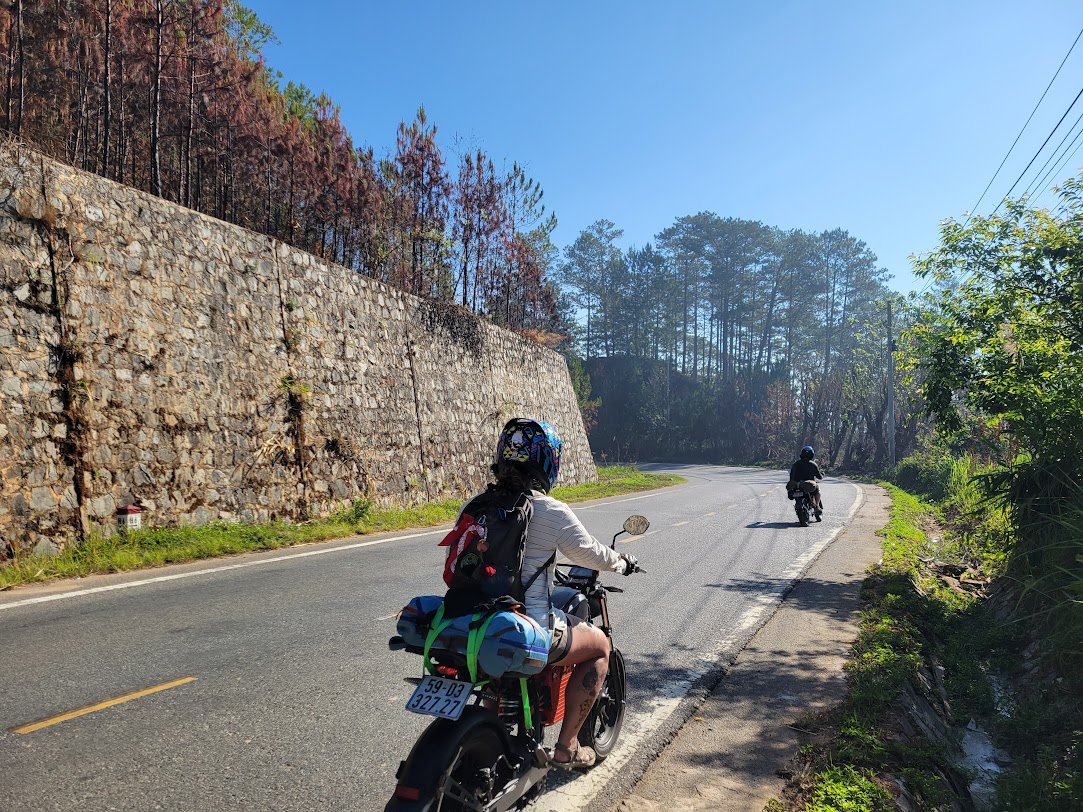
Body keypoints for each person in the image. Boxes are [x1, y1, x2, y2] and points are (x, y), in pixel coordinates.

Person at [451, 417, 638, 770]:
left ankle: (492, 718)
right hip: (528, 624)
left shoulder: (475, 505)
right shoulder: (551, 511)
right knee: (600, 646)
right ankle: (566, 748)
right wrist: (622, 562)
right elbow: (590, 553)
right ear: (549, 462)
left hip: (469, 620)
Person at [787, 445, 825, 516]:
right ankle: (816, 506)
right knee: (818, 490)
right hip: (808, 485)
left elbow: (791, 476)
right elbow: (819, 476)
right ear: (812, 455)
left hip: (796, 485)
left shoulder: (796, 464)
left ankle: (798, 503)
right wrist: (822, 475)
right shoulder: (813, 464)